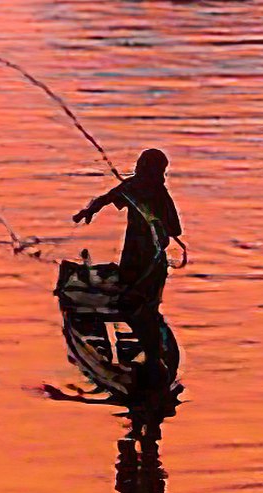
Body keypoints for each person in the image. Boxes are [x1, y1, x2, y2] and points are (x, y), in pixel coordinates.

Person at [61, 144, 183, 408]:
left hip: (138, 262)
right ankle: (153, 362)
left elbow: (105, 199)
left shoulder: (136, 188)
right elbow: (176, 229)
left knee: (133, 306)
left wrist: (88, 211)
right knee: (145, 307)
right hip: (152, 264)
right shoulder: (155, 193)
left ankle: (151, 362)